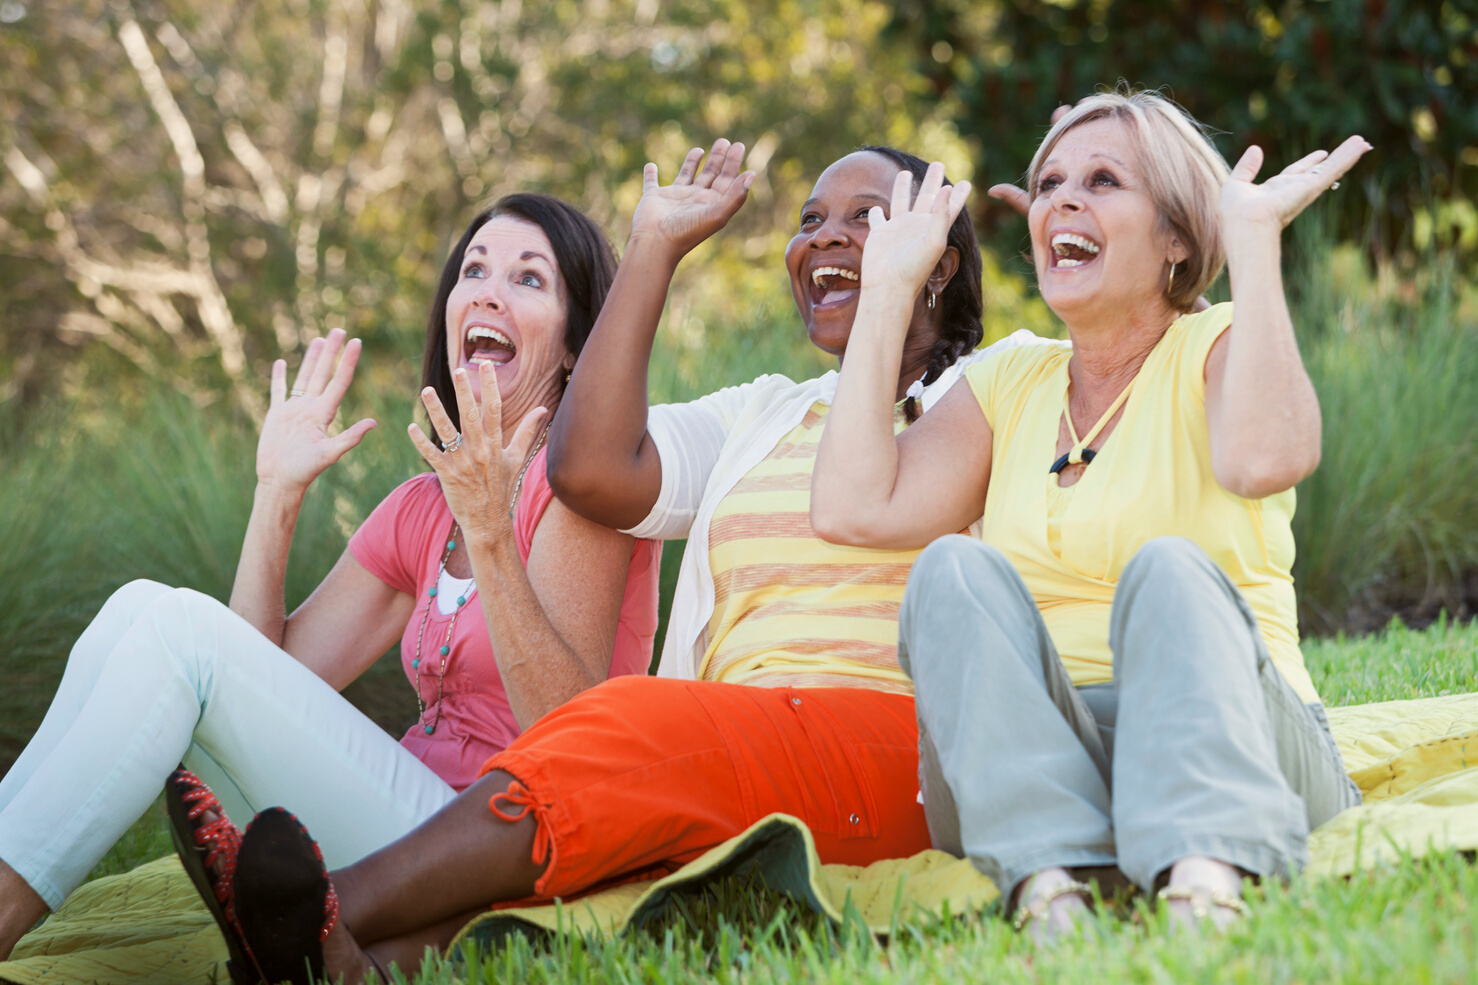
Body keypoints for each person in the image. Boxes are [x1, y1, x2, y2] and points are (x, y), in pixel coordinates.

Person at [171, 139, 1046, 985]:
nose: (823, 234)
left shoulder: (1002, 387)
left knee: (636, 723)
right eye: (810, 218)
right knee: (587, 859)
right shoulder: (765, 416)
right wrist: (654, 246)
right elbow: (587, 466)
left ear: (937, 258)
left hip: (891, 743)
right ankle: (344, 963)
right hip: (736, 750)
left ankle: (311, 913)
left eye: (867, 217)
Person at [0, 193, 660, 959]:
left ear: (580, 346)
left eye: (528, 278)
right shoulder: (422, 503)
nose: (485, 289)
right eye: (474, 268)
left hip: (501, 852)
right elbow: (248, 690)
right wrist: (275, 495)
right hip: (403, 834)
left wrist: (488, 528)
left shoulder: (582, 484)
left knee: (174, 627)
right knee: (138, 608)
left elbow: (566, 733)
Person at [808, 89, 1370, 940]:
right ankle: (1048, 888)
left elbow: (1268, 458)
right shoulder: (1010, 382)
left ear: (1177, 235)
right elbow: (854, 507)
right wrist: (889, 289)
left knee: (1172, 566)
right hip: (1041, 764)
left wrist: (1253, 245)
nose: (1064, 199)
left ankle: (1205, 876)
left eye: (1104, 180)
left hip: (1235, 740)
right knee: (951, 570)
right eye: (1052, 181)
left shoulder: (1211, 346)